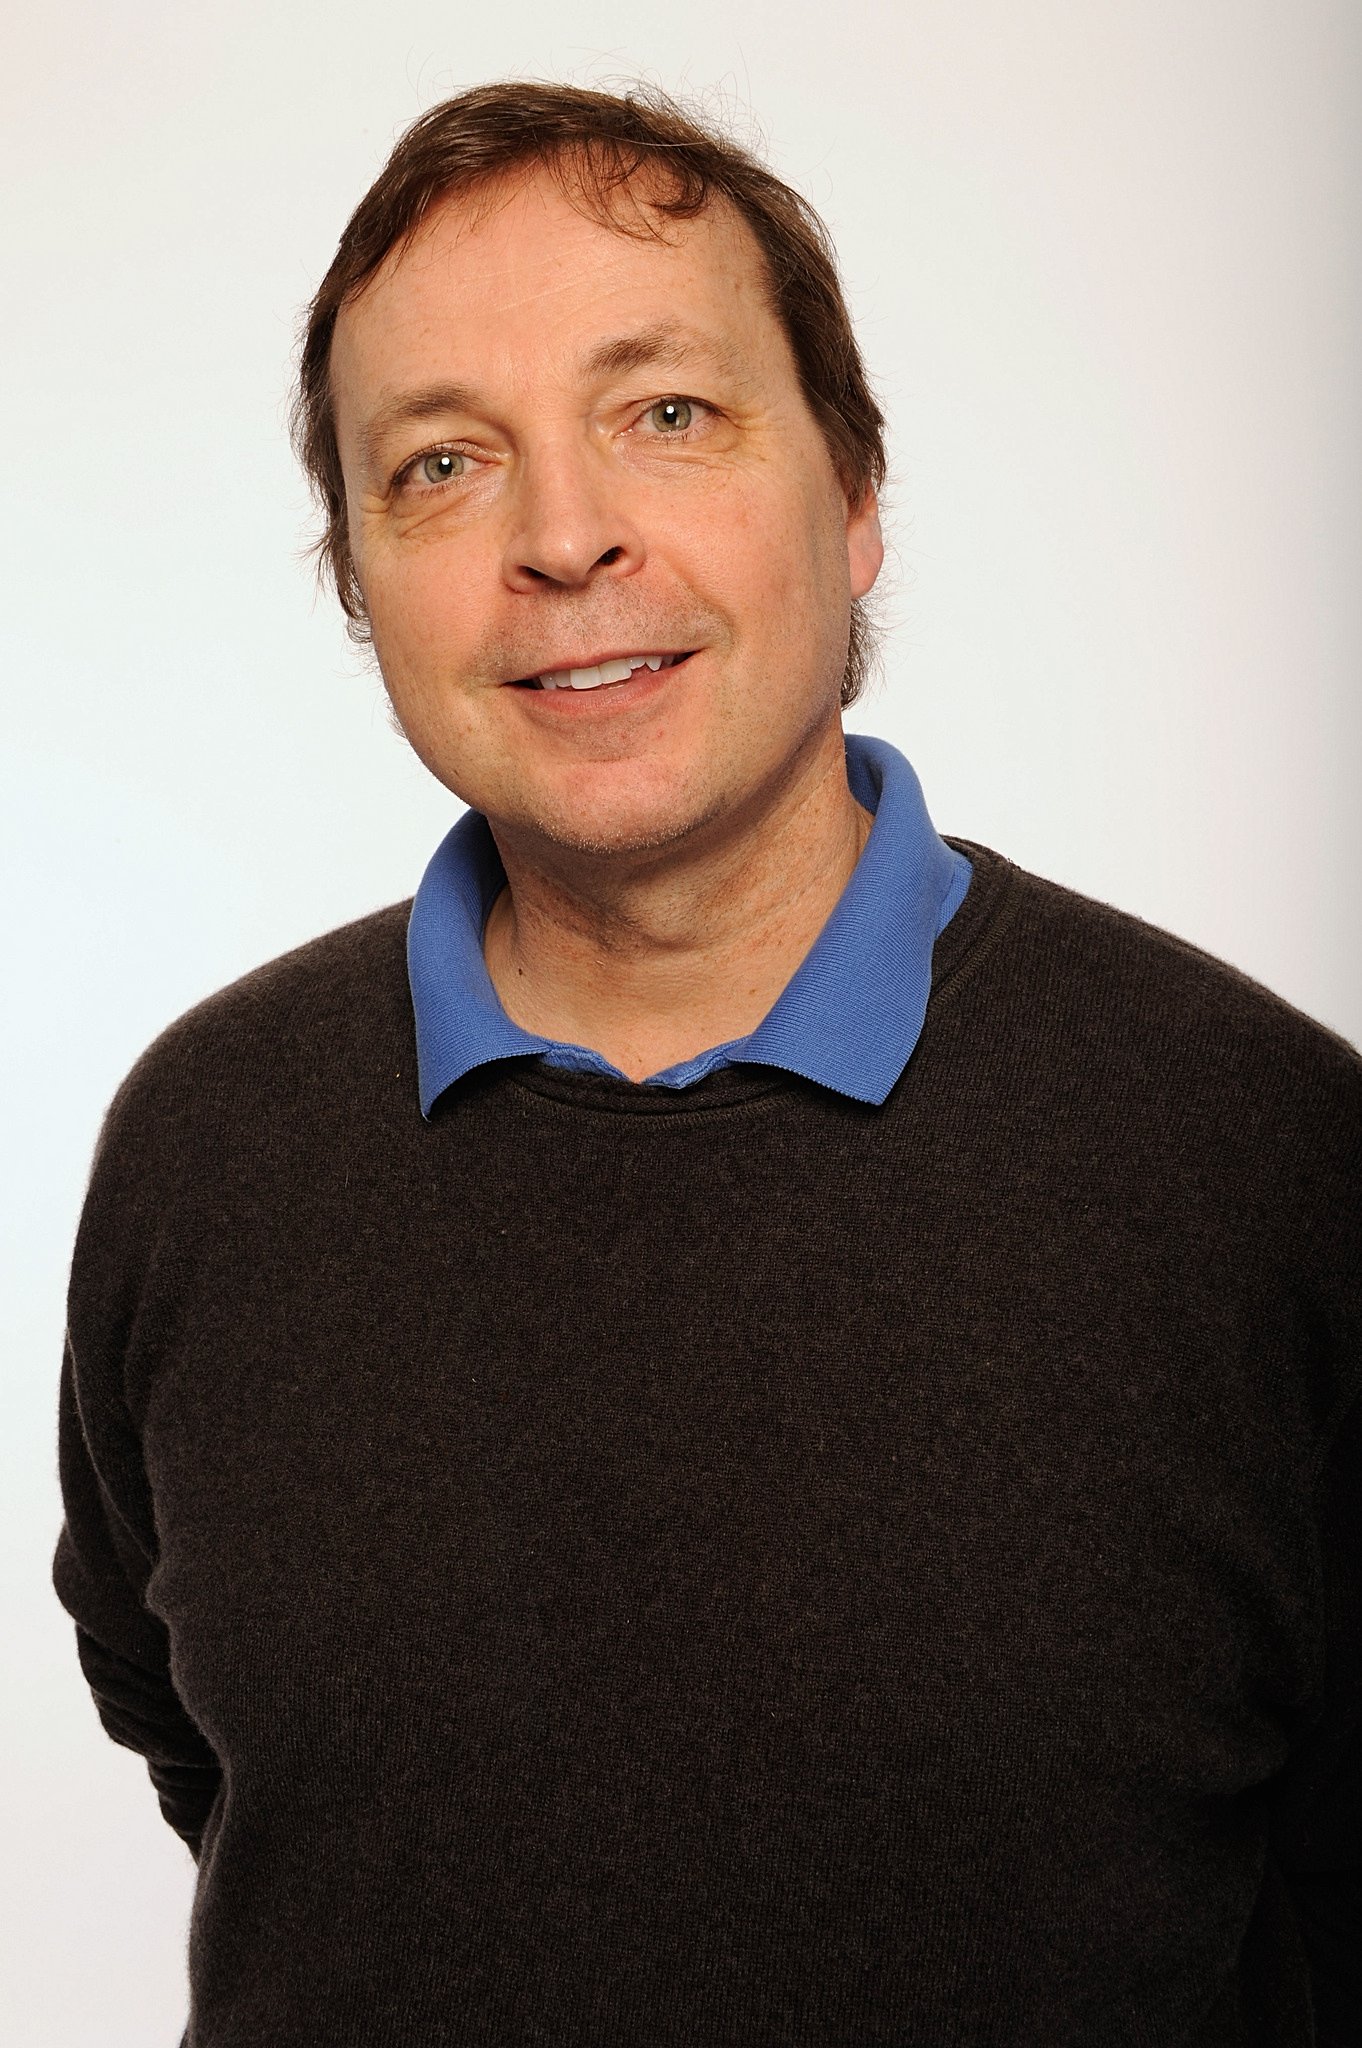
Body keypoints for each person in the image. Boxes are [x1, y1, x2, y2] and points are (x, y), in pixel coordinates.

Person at [51, 81, 1360, 2047]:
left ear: (853, 491)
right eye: (441, 465)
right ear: (359, 583)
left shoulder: (1268, 1156)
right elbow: (194, 1734)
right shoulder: (206, 1144)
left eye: (664, 412)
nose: (563, 536)